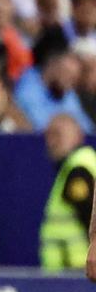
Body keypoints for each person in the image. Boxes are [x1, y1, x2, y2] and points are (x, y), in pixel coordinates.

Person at [40, 114, 96, 271]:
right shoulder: (82, 163)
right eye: (49, 135)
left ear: (78, 135)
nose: (51, 142)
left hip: (75, 269)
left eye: (58, 134)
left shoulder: (78, 168)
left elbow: (88, 210)